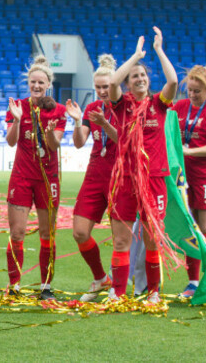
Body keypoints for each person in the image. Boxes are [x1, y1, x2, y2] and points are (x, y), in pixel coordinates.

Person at [108, 27, 178, 304]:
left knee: (151, 240)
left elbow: (173, 81)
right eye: (134, 76)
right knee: (122, 241)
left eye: (143, 75)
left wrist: (158, 50)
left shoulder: (159, 104)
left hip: (154, 179)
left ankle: (153, 292)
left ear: (149, 81)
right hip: (125, 179)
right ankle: (118, 293)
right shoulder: (122, 104)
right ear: (129, 83)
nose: (139, 78)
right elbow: (112, 83)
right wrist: (136, 56)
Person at [5, 56, 67, 299]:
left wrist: (50, 134)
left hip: (47, 179)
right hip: (21, 176)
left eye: (41, 82)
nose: (37, 86)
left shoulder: (58, 111)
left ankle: (46, 287)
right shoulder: (17, 105)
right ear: (28, 83)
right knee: (17, 233)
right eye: (33, 82)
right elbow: (10, 142)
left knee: (46, 233)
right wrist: (18, 120)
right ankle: (14, 285)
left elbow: (55, 145)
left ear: (48, 83)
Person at [65, 54, 118, 302]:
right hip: (95, 174)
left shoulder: (126, 106)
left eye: (106, 86)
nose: (101, 91)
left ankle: (120, 287)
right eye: (97, 87)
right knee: (79, 232)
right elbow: (78, 143)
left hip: (120, 176)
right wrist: (77, 122)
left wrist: (106, 124)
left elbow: (124, 141)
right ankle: (100, 278)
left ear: (115, 84)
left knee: (121, 237)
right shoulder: (91, 108)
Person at [172, 62, 206, 299]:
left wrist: (190, 152)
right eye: (190, 90)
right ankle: (193, 282)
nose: (192, 95)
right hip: (184, 178)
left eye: (197, 91)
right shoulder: (180, 107)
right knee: (189, 229)